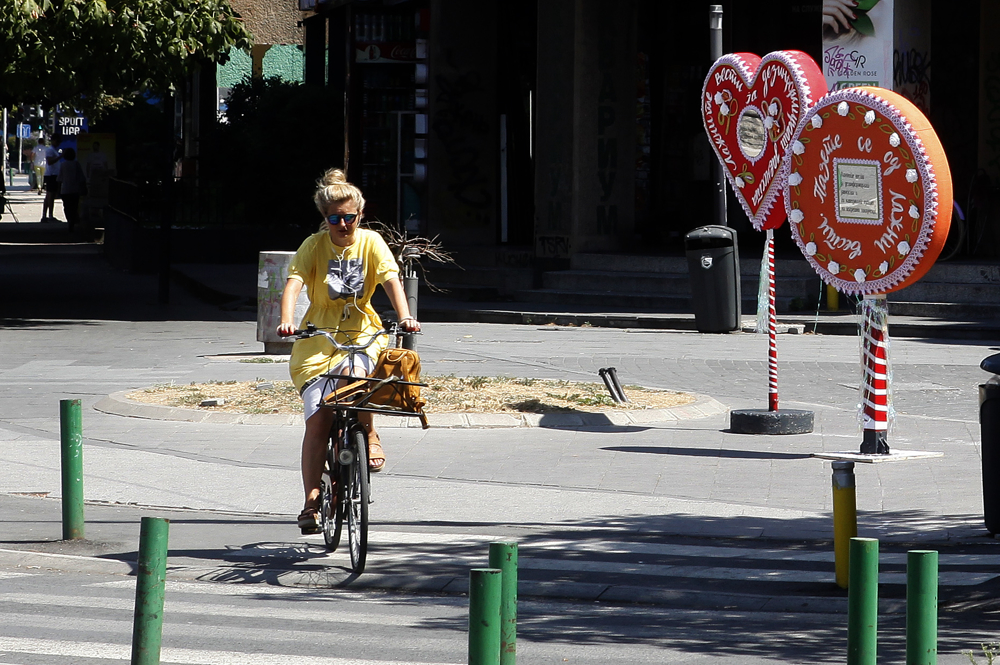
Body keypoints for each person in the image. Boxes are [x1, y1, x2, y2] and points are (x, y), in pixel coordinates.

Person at [277, 168, 420, 534]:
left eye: (349, 218)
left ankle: (369, 434)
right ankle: (311, 500)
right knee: (318, 420)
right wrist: (287, 320)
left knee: (357, 382)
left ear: (361, 213)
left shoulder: (371, 242)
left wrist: (405, 317)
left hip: (362, 333)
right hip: (317, 338)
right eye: (334, 219)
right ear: (325, 219)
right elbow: (294, 283)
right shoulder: (314, 245)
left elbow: (390, 279)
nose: (343, 225)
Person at [57, 147, 87, 232]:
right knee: (74, 206)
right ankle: (73, 220)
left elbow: (59, 179)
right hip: (75, 189)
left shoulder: (63, 165)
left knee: (67, 207)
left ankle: (69, 219)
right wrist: (84, 188)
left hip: (65, 190)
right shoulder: (76, 164)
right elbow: (82, 178)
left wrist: (58, 190)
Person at [41, 135, 62, 221]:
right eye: (57, 141)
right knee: (51, 195)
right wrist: (61, 156)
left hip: (54, 174)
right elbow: (49, 161)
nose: (58, 144)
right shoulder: (50, 150)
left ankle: (45, 215)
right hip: (51, 175)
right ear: (53, 140)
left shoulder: (54, 150)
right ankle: (50, 215)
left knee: (49, 195)